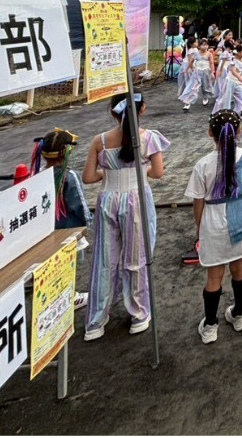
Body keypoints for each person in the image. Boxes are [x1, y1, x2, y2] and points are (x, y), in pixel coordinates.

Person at [83, 93, 168, 340]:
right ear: (143, 109)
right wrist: (141, 169)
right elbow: (158, 173)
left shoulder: (100, 141)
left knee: (104, 258)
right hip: (137, 198)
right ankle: (138, 314)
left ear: (113, 112)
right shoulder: (148, 138)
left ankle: (96, 321)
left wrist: (108, 173)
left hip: (108, 198)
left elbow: (88, 177)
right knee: (137, 256)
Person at [185, 110, 242, 344]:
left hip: (214, 222)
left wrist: (200, 227)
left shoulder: (203, 165)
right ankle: (239, 315)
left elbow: (198, 202)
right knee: (240, 269)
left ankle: (210, 325)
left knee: (214, 276)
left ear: (210, 132)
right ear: (240, 130)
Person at [29, 128, 91, 309]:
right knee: (67, 266)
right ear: (67, 151)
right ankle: (69, 298)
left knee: (52, 266)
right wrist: (88, 223)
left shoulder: (37, 175)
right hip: (69, 231)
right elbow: (79, 205)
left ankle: (53, 297)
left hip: (45, 232)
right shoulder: (69, 176)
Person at [179, 39, 215, 110]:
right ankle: (187, 102)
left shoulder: (209, 54)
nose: (205, 47)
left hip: (206, 72)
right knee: (193, 87)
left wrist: (212, 72)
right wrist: (188, 69)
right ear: (199, 46)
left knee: (205, 86)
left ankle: (205, 97)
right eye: (203, 45)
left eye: (206, 45)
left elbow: (211, 63)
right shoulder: (196, 53)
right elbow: (191, 61)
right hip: (197, 72)